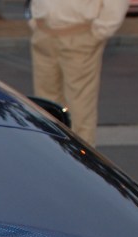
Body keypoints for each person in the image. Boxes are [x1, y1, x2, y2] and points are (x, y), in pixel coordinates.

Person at [28, 0, 129, 145]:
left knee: (80, 106)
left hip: (79, 34)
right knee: (45, 103)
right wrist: (35, 20)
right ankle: (52, 152)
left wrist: (98, 33)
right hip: (44, 34)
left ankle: (82, 159)